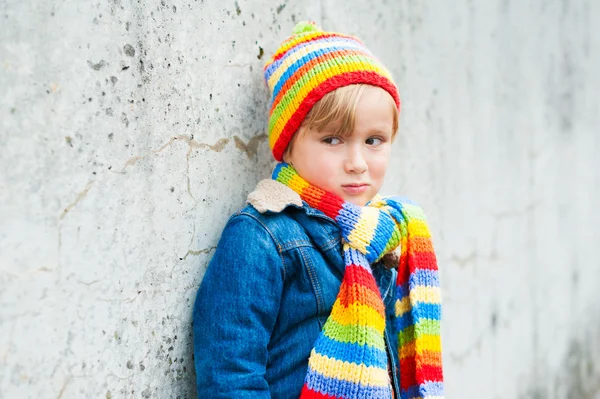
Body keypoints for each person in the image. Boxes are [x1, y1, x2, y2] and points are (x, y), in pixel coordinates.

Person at [193, 21, 444, 399]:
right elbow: (231, 375)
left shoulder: (385, 232)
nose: (357, 162)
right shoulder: (262, 238)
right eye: (333, 139)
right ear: (289, 146)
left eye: (374, 140)